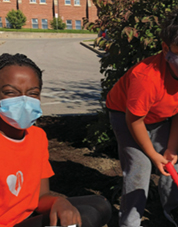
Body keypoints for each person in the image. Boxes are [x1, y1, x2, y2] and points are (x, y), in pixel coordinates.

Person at [106, 5, 178, 227]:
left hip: (158, 116)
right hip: (127, 116)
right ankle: (129, 222)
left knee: (174, 164)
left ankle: (175, 210)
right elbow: (134, 120)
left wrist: (171, 149)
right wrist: (153, 155)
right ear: (166, 49)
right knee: (139, 168)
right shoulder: (145, 78)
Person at [0, 53, 112, 227]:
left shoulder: (37, 137)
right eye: (10, 93)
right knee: (86, 217)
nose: (24, 101)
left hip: (27, 217)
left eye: (33, 93)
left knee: (100, 204)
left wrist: (58, 202)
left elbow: (40, 197)